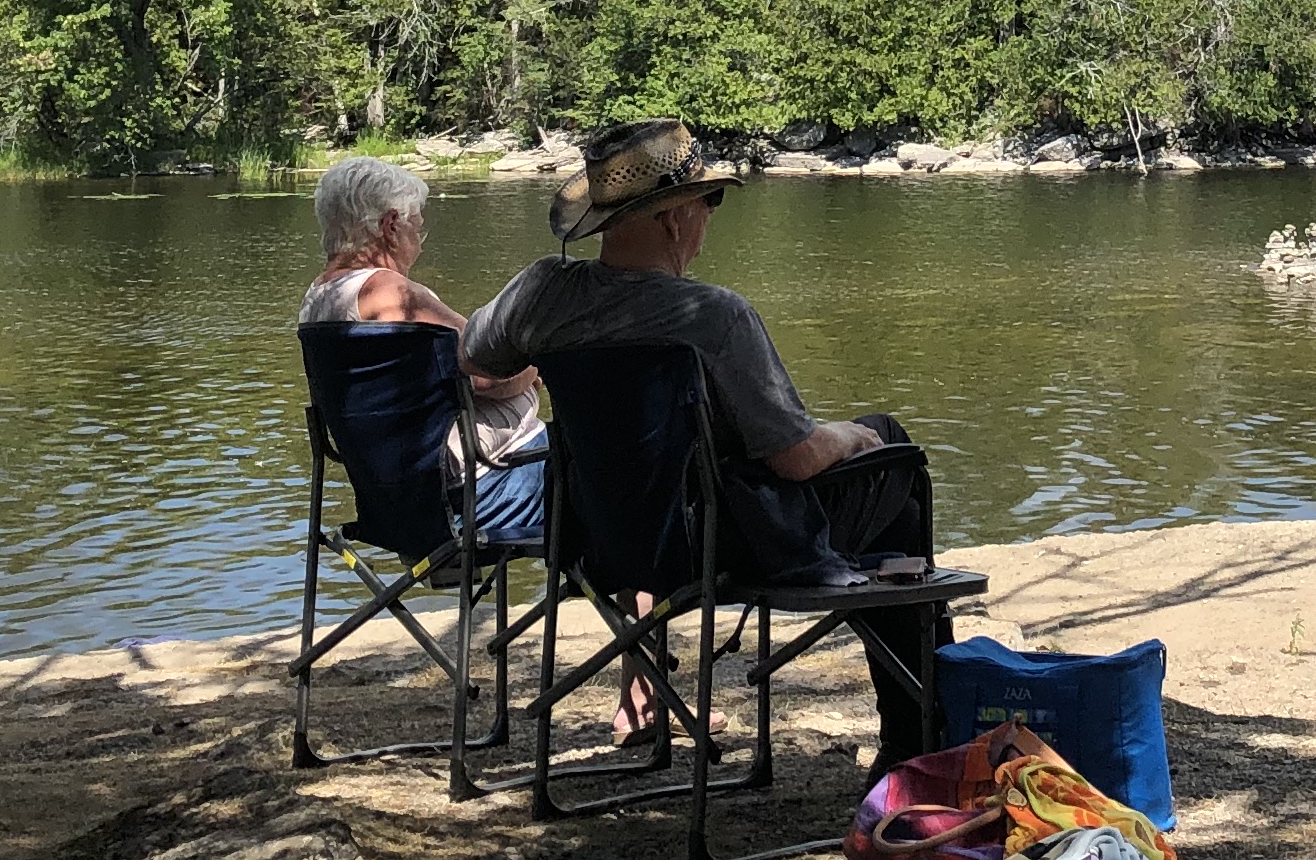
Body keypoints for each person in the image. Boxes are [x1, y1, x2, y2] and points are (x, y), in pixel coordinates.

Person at [462, 117, 946, 753]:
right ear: (673, 216)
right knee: (896, 468)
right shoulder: (713, 316)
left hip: (596, 542)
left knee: (870, 482)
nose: (710, 217)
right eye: (708, 200)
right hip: (713, 549)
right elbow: (797, 459)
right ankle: (920, 738)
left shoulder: (541, 294)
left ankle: (919, 732)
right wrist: (856, 437)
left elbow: (475, 356)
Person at [302, 155, 548, 548]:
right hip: (479, 496)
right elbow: (487, 372)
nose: (420, 241)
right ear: (390, 226)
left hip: (394, 503)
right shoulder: (392, 294)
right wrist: (534, 365)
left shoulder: (318, 301)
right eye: (418, 227)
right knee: (610, 472)